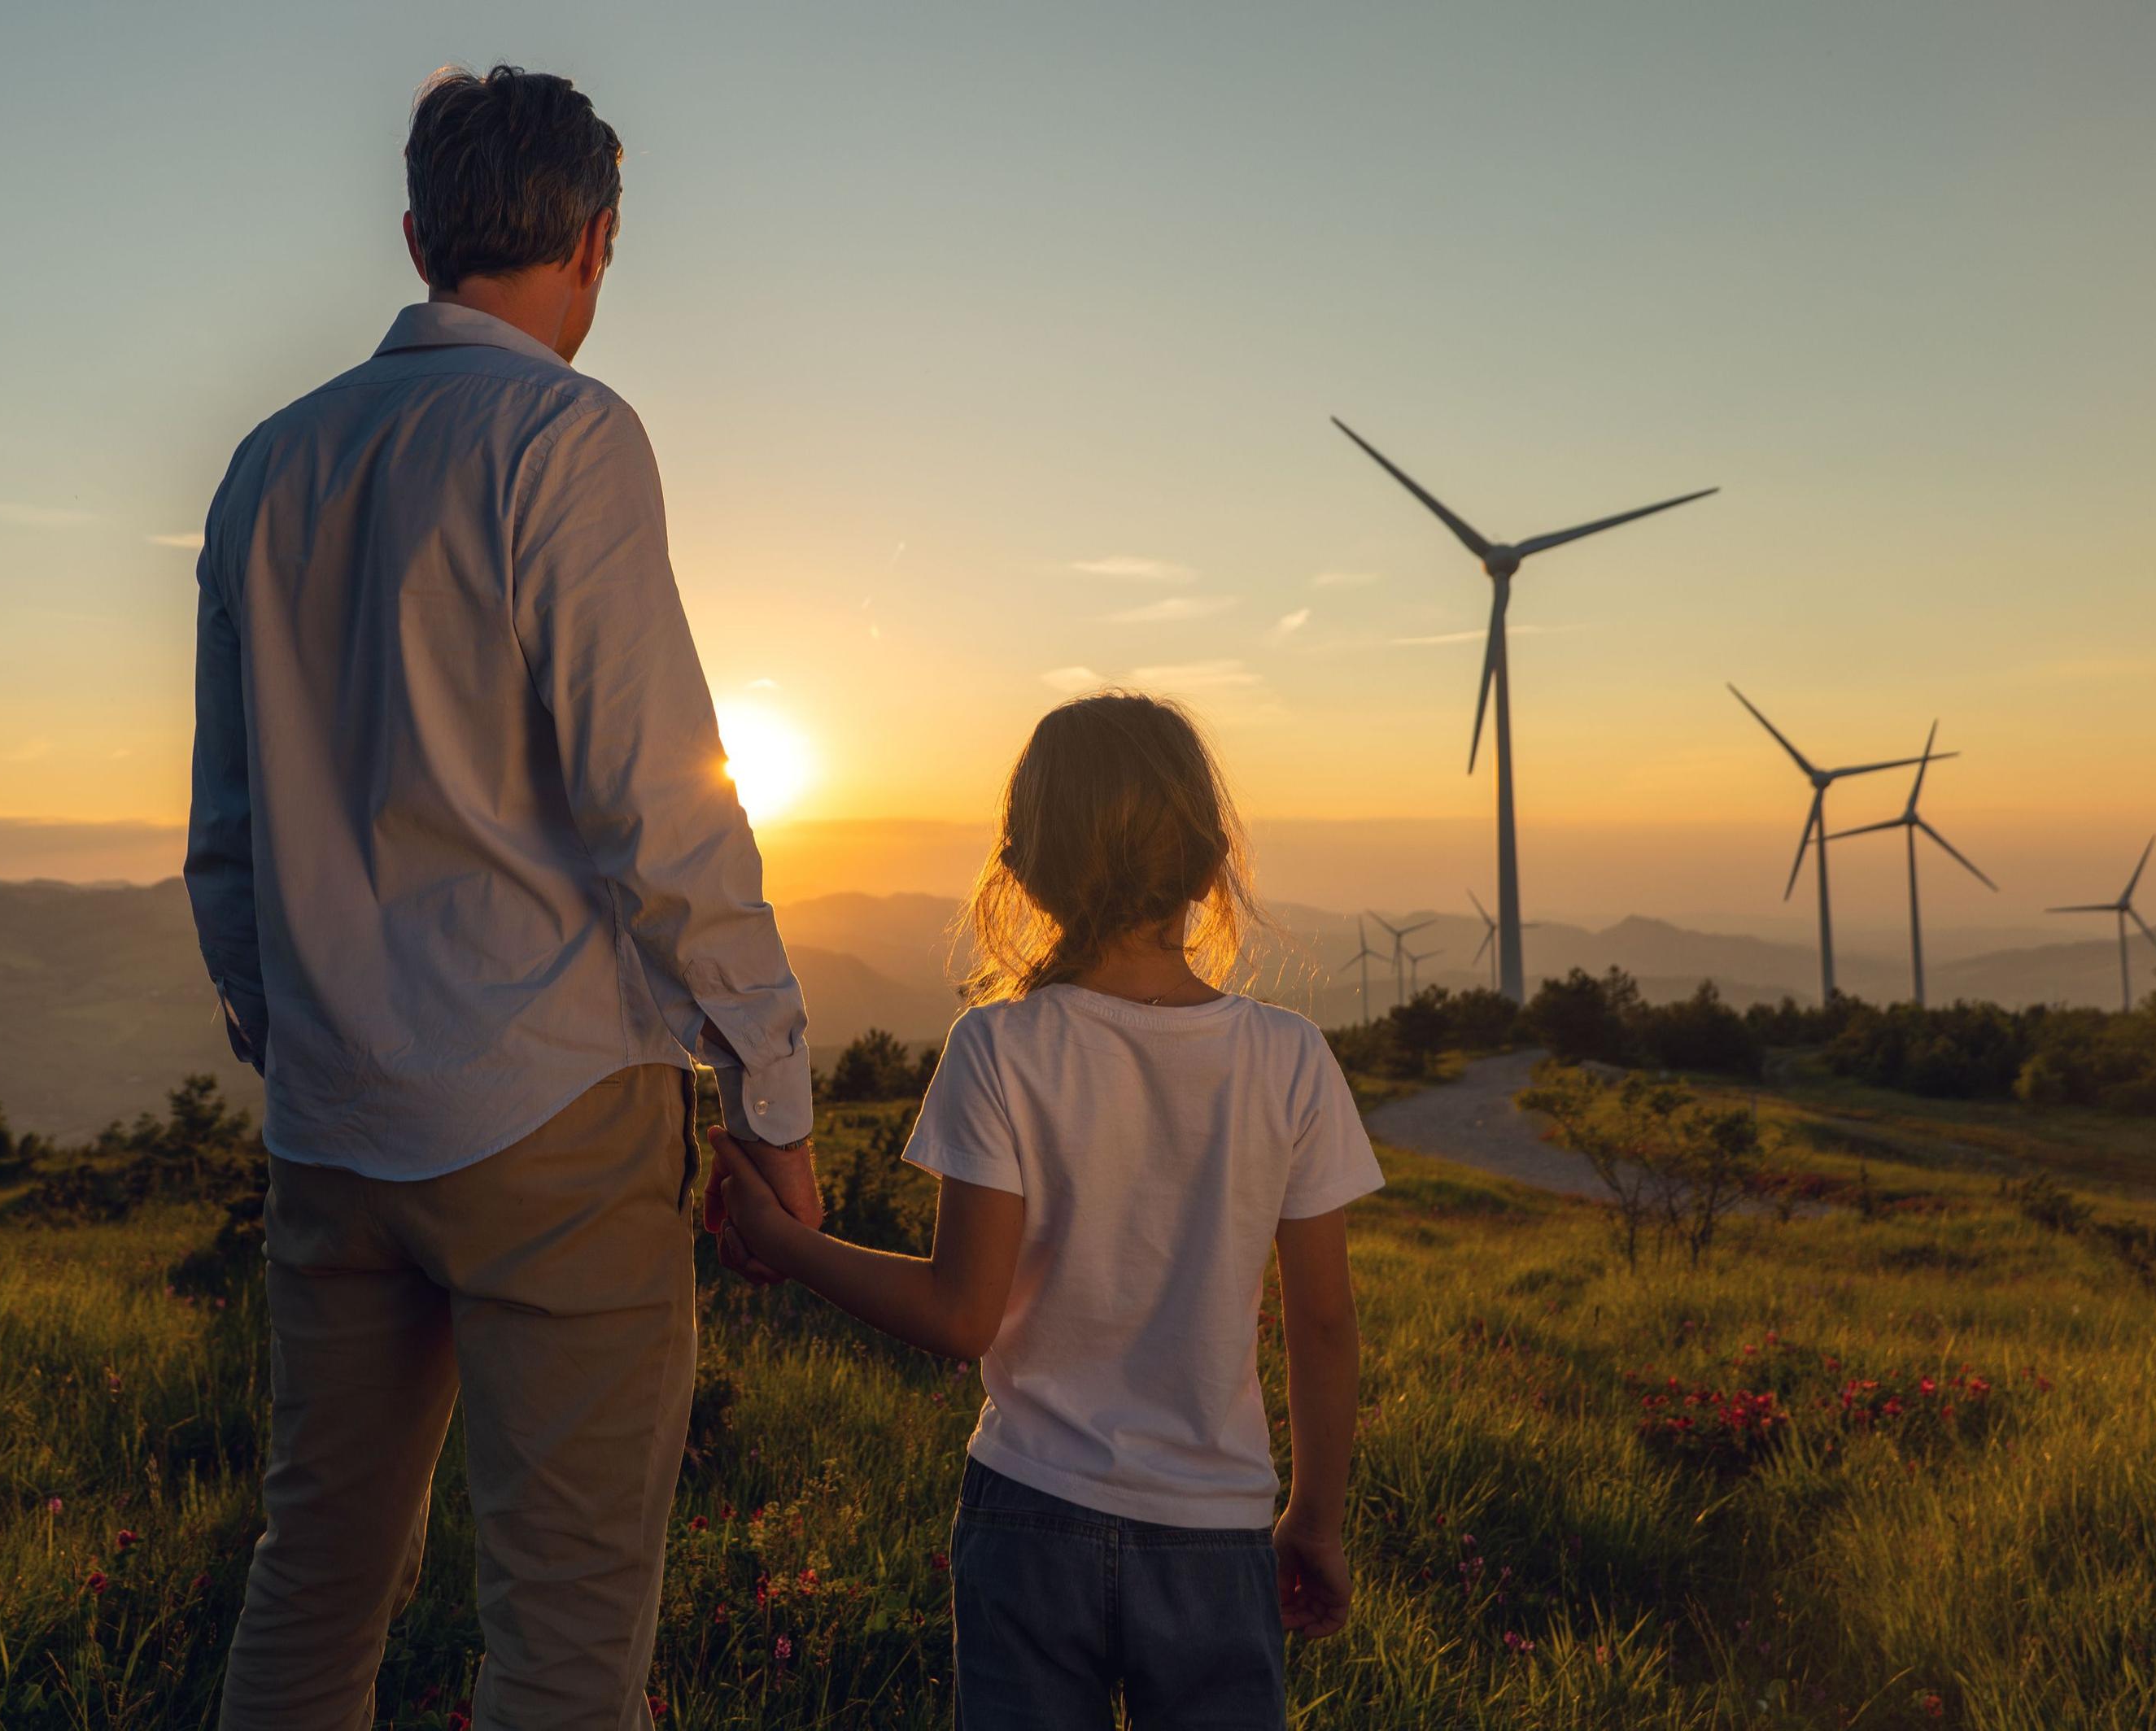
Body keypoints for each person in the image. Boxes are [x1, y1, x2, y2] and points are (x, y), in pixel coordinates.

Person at [184, 64, 823, 1731]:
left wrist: (288, 1021)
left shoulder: (268, 464)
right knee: (563, 1620)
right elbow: (661, 804)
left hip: (331, 1122)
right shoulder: (566, 434)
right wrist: (772, 1081)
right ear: (598, 241)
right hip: (550, 1107)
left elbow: (228, 830)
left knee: (313, 1577)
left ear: (415, 235)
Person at [714, 692, 1377, 1728]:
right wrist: (1317, 1520)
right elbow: (1325, 1320)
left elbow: (959, 1315)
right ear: (1210, 865)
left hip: (1031, 1516)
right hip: (1215, 1535)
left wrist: (787, 1244)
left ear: (1022, 869)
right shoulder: (1290, 1059)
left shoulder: (998, 1045)